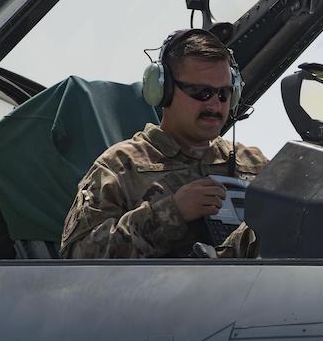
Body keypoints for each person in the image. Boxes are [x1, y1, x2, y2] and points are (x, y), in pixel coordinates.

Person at [60, 29, 267, 259]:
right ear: (163, 90)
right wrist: (173, 212)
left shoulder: (254, 163)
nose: (215, 105)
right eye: (201, 92)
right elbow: (77, 258)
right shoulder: (119, 167)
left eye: (224, 93)